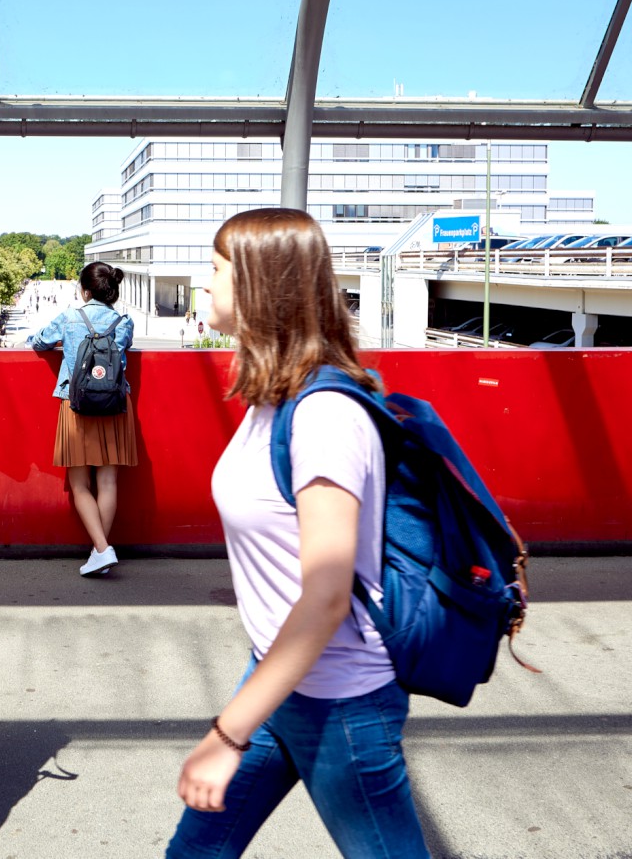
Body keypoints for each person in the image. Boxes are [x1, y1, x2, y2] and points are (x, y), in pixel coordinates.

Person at [166, 208, 426, 859]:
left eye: (218, 269)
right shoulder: (269, 398)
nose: (205, 284)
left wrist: (227, 735)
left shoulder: (325, 417)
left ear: (260, 285)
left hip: (342, 703)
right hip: (279, 678)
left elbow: (326, 596)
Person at [28, 261, 136, 577]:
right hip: (115, 403)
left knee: (79, 483)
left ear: (85, 290)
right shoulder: (124, 321)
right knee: (108, 481)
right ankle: (99, 552)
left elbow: (39, 341)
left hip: (76, 403)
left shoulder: (71, 318)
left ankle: (102, 550)